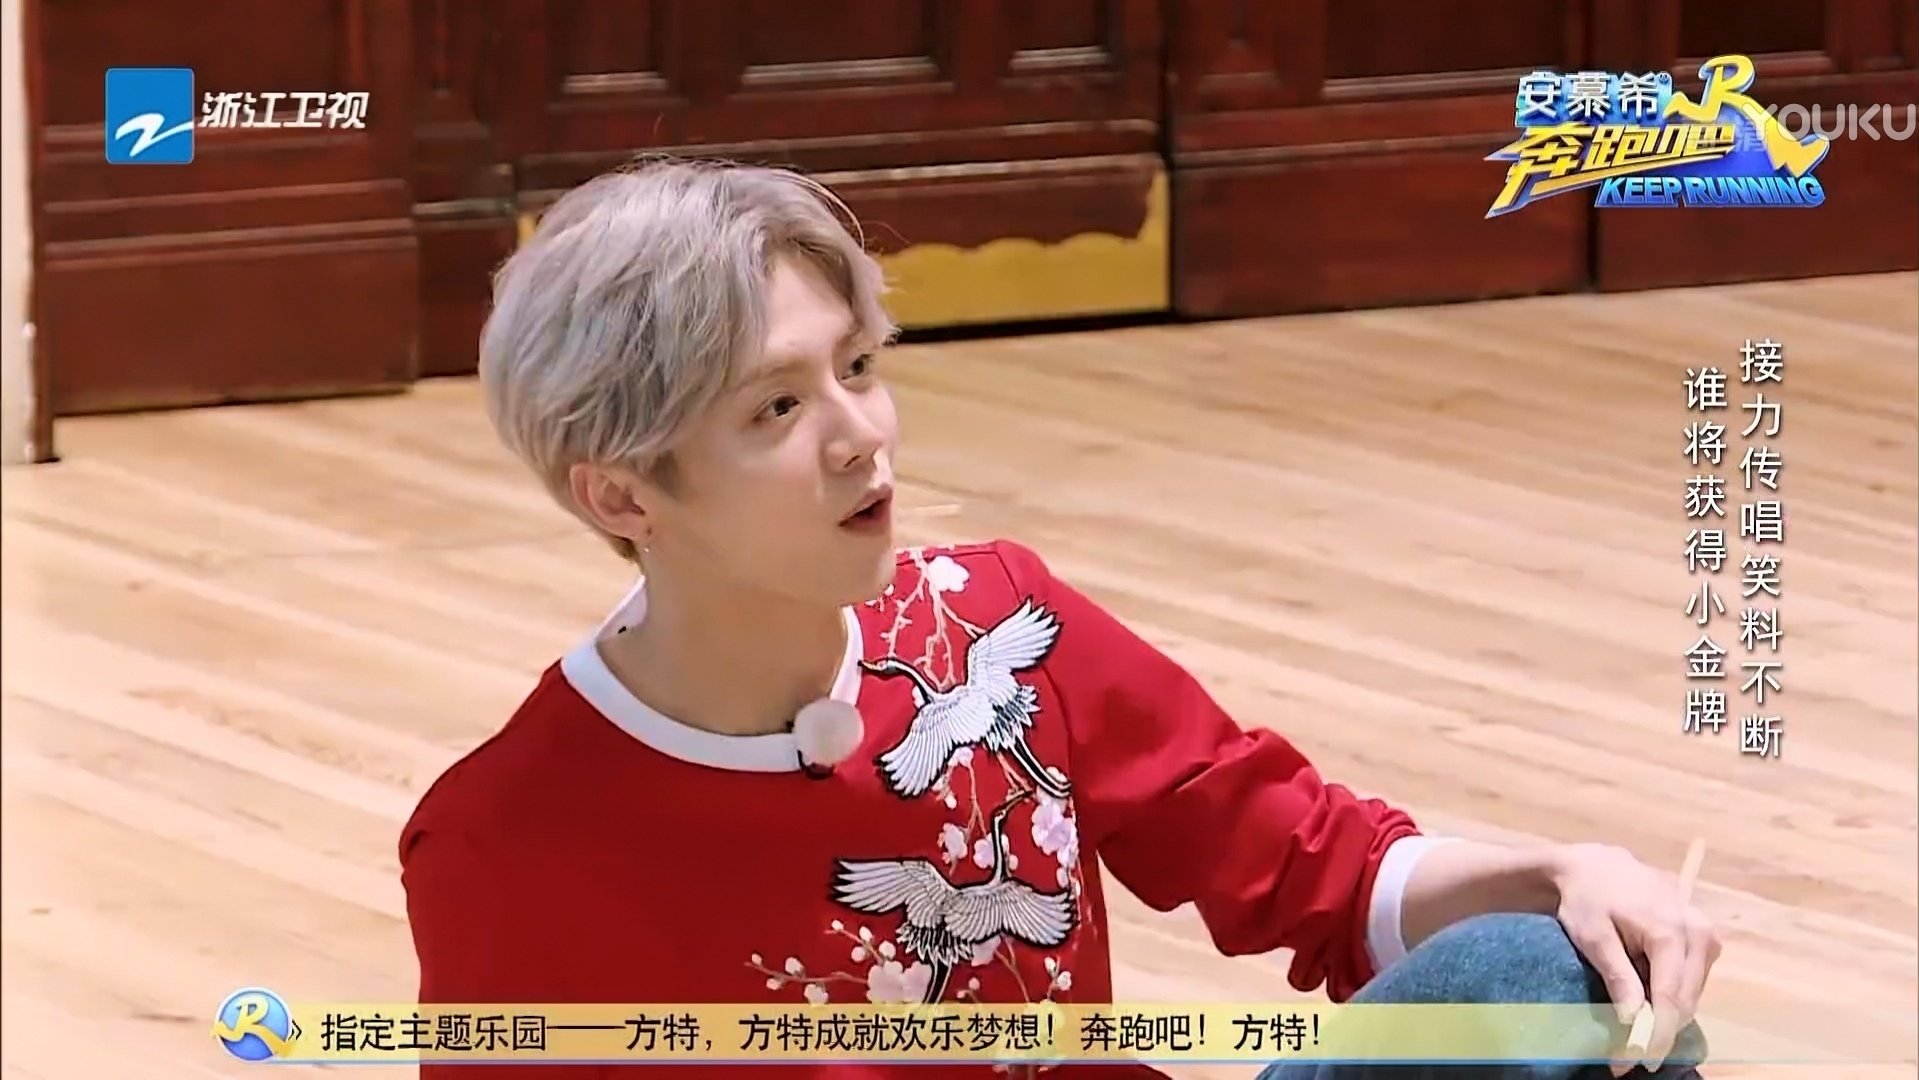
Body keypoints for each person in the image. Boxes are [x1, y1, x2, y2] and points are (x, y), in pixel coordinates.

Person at [399, 157, 1718, 1079]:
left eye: (858, 367)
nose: (862, 435)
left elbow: (1316, 869)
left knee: (1552, 974)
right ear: (623, 494)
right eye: (778, 407)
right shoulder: (503, 842)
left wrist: (1562, 871)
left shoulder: (994, 622)